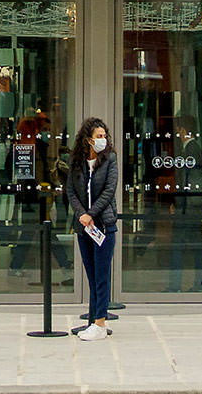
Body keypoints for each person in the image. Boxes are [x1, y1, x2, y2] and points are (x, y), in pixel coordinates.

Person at [65, 115, 118, 341]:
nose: (102, 140)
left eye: (104, 136)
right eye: (98, 136)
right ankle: (94, 321)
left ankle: (100, 322)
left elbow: (109, 190)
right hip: (84, 227)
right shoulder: (76, 161)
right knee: (91, 273)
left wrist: (91, 214)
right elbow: (70, 191)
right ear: (88, 139)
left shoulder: (110, 159)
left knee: (102, 274)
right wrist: (81, 215)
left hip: (103, 224)